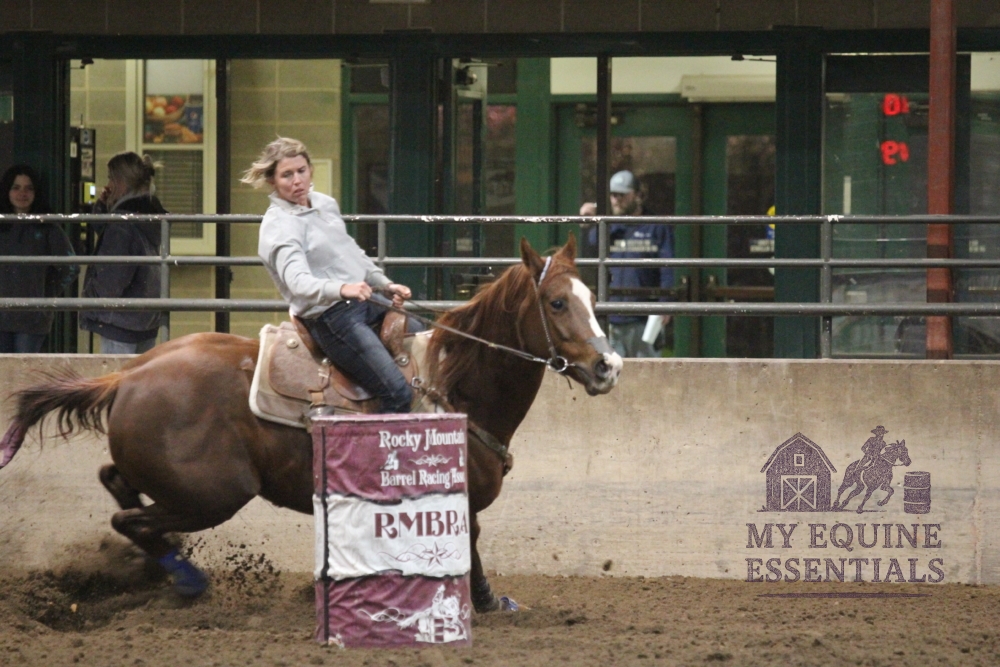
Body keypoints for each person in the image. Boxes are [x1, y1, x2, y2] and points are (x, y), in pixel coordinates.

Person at [246, 137, 413, 414]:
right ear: (272, 181)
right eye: (287, 175)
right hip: (331, 318)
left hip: (366, 302)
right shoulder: (279, 226)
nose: (297, 180)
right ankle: (378, 443)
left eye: (301, 171)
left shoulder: (325, 204)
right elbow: (298, 283)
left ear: (310, 170)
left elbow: (352, 253)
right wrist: (343, 288)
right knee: (397, 392)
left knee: (433, 351)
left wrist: (385, 284)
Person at [580, 169, 674, 357]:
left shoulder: (656, 226)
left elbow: (668, 269)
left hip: (644, 318)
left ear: (638, 195)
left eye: (622, 195)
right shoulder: (608, 227)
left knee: (648, 371)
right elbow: (588, 252)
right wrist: (587, 223)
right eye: (613, 195)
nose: (616, 200)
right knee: (611, 370)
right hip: (611, 317)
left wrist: (665, 304)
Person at [80, 152, 165, 354]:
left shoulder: (122, 223)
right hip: (145, 321)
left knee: (117, 373)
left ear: (121, 182)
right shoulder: (150, 215)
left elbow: (112, 279)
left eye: (111, 178)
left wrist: (89, 298)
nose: (108, 184)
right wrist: (103, 209)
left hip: (119, 321)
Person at [0, 165, 78, 353]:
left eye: (29, 188)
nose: (22, 193)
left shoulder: (48, 227)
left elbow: (71, 267)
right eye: (16, 187)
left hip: (32, 320)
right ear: (6, 191)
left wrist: (46, 293)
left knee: (24, 369)